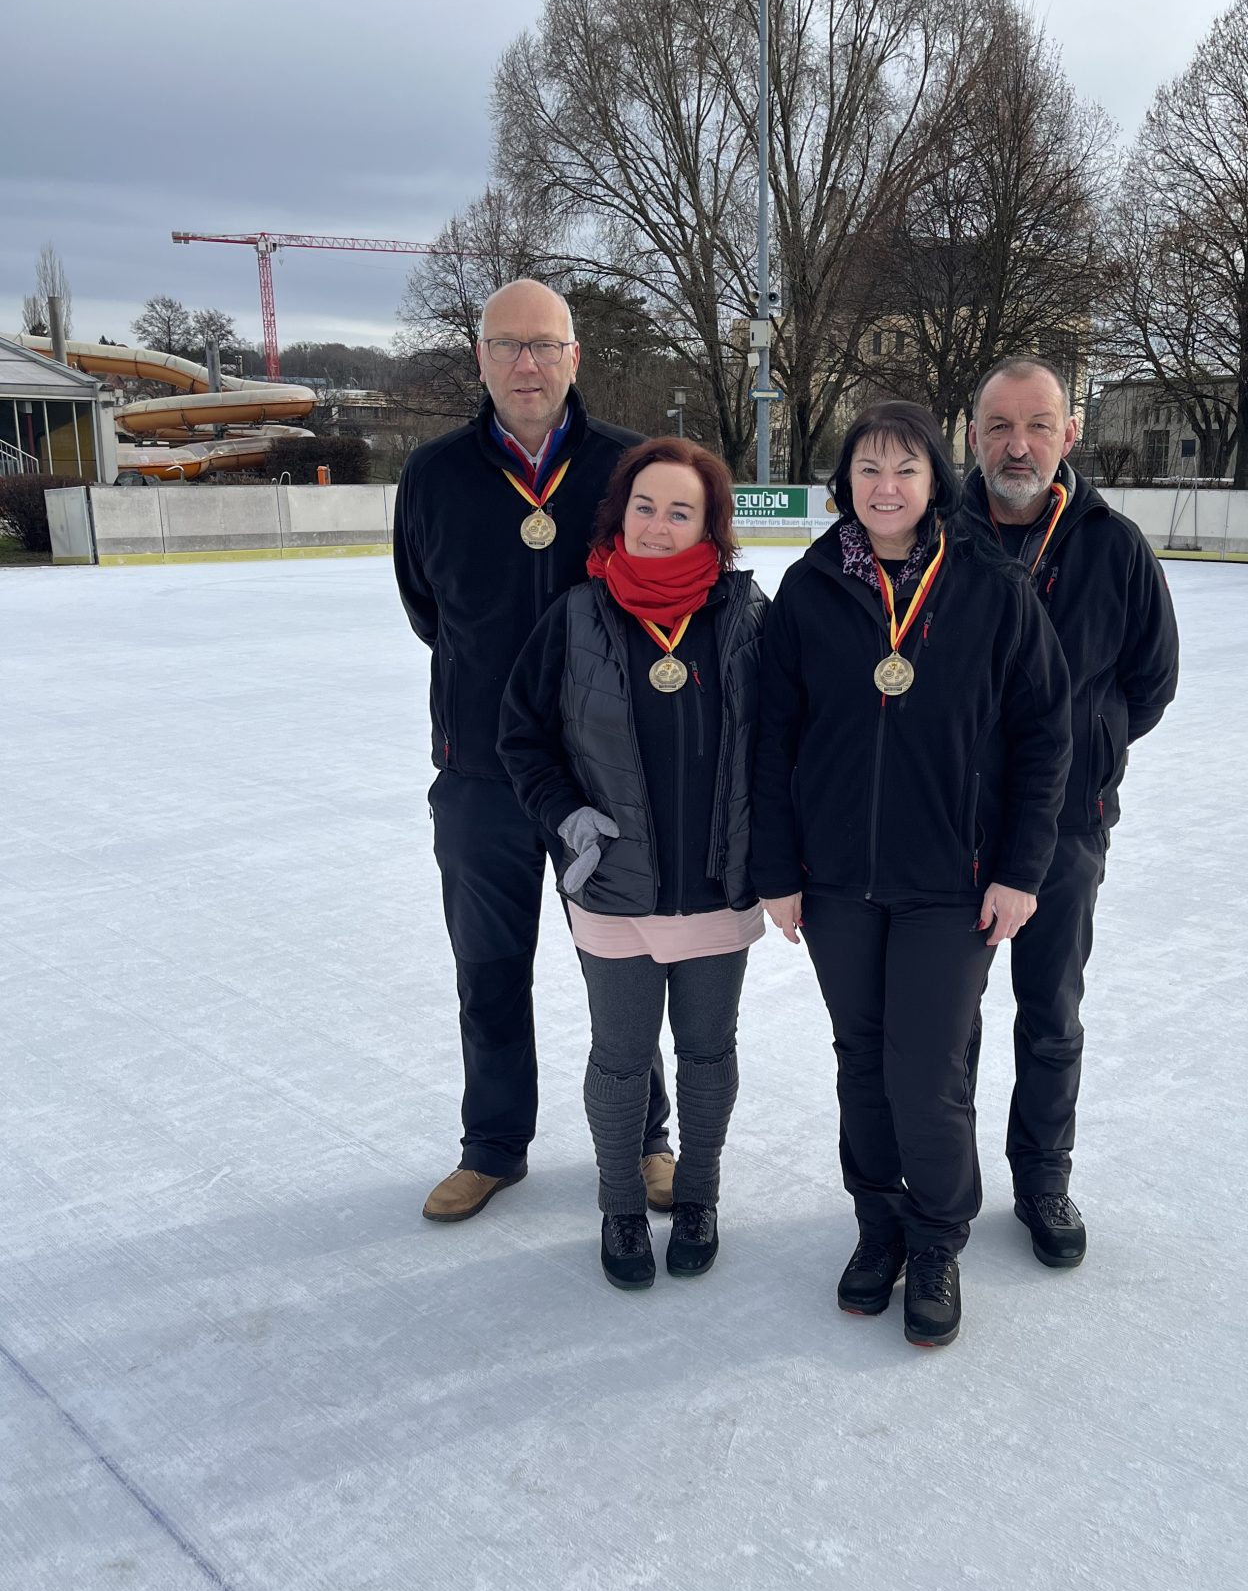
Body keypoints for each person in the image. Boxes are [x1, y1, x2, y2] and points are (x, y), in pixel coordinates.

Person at [752, 401, 1071, 1347]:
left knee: (927, 1070)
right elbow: (771, 743)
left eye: (905, 470)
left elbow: (1046, 737)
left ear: (936, 481)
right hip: (840, 880)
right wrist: (779, 869)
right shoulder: (809, 591)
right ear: (843, 486)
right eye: (866, 472)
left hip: (952, 881)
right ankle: (878, 1223)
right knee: (862, 1062)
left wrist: (1019, 869)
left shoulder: (990, 586)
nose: (884, 489)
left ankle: (937, 1236)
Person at [393, 280, 672, 1225]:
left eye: (544, 346)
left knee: (625, 964)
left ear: (575, 358)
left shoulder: (630, 466)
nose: (525, 363)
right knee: (488, 964)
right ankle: (494, 1147)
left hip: (606, 776)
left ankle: (645, 1138)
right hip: (481, 775)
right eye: (506, 345)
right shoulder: (433, 476)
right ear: (478, 357)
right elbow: (430, 610)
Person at [499, 439, 766, 1289]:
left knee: (707, 1052)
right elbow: (522, 737)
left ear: (710, 526)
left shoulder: (747, 614)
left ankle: (698, 1196)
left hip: (720, 884)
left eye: (680, 510)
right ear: (619, 514)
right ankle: (620, 1206)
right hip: (613, 888)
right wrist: (565, 816)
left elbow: (791, 738)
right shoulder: (577, 616)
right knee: (620, 1058)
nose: (658, 525)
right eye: (644, 507)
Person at [963, 355, 1179, 1268]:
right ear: (971, 438)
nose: (1018, 446)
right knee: (945, 1023)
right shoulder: (937, 534)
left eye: (1037, 426)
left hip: (1065, 830)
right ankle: (939, 1184)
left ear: (1069, 434)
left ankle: (1042, 1177)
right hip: (953, 827)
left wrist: (1086, 748)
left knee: (1049, 1015)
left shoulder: (1115, 546)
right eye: (999, 427)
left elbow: (1152, 680)